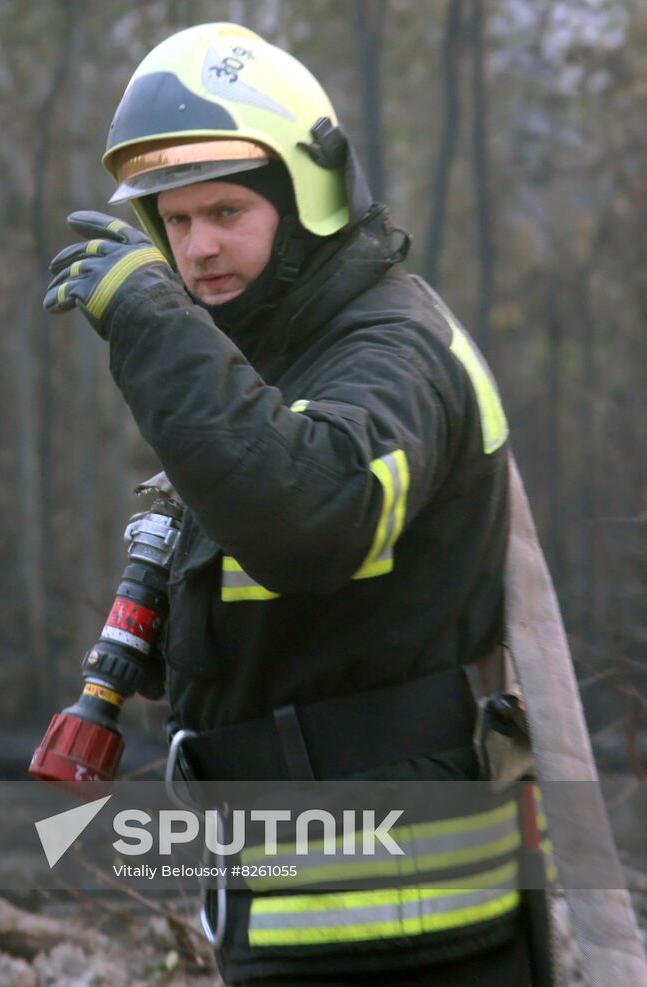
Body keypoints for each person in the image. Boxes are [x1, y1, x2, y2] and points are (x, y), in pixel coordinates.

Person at [43, 23, 536, 987]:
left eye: (226, 209)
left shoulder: (395, 350)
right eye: (175, 223)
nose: (198, 247)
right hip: (298, 918)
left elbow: (316, 514)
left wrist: (151, 322)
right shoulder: (268, 364)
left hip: (417, 932)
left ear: (309, 196)